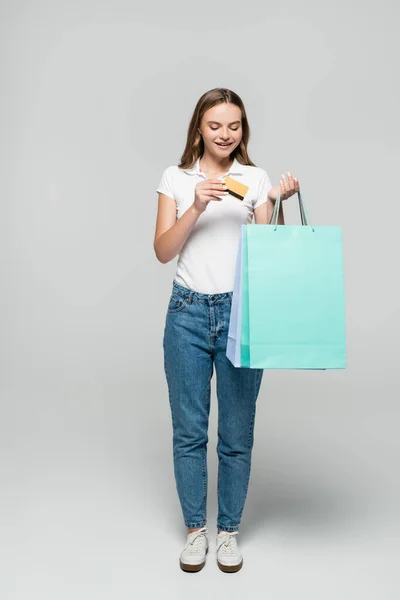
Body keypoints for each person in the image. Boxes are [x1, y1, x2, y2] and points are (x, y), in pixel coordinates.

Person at [153, 88, 299, 573]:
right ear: (199, 127)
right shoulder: (176, 177)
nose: (225, 134)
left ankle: (229, 532)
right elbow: (162, 250)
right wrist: (195, 205)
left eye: (234, 126)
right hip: (188, 314)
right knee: (189, 431)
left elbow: (262, 255)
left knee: (237, 433)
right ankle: (197, 530)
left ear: (244, 130)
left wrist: (276, 204)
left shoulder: (254, 179)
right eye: (216, 125)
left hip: (242, 314)